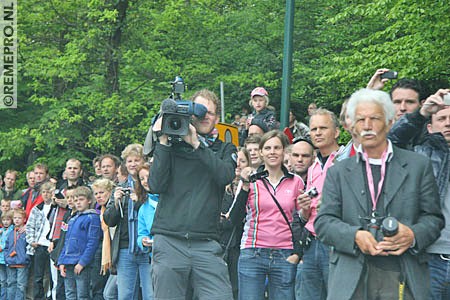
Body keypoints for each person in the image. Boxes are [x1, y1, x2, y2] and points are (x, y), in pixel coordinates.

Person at [315, 88, 444, 299]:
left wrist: (412, 235)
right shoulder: (338, 171)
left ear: (390, 121)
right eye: (360, 120)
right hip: (351, 276)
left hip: (402, 273)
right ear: (352, 127)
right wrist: (354, 235)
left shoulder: (417, 165)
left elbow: (433, 219)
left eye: (374, 118)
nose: (367, 126)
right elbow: (324, 223)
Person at [149, 89, 237, 299]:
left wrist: (197, 145)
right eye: (200, 111)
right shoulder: (171, 147)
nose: (205, 116)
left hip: (206, 243)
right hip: (170, 239)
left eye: (211, 113)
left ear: (217, 118)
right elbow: (155, 185)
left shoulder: (224, 148)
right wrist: (162, 142)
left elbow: (224, 175)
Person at [388, 88, 450, 298]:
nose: (448, 123)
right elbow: (391, 141)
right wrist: (421, 113)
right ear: (430, 127)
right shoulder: (417, 154)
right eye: (442, 118)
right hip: (428, 256)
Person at [229, 130, 303, 300]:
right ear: (261, 152)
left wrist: (298, 253)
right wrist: (245, 185)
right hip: (253, 251)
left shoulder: (296, 181)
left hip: (285, 252)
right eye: (268, 148)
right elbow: (234, 217)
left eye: (277, 147)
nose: (272, 152)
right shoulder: (250, 179)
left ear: (284, 151)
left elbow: (301, 221)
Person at [298, 108, 343, 300]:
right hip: (312, 241)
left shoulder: (346, 158)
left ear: (337, 132)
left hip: (336, 242)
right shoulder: (313, 166)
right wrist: (304, 208)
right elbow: (304, 216)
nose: (317, 132)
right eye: (313, 128)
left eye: (323, 128)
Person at [103, 143, 151, 300]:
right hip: (125, 248)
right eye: (129, 161)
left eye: (136, 160)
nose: (132, 164)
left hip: (147, 247)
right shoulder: (120, 187)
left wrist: (140, 200)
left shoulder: (151, 185)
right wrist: (116, 203)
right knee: (125, 296)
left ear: (143, 161)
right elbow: (109, 220)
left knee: (151, 295)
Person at [57, 186, 101, 300]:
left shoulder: (93, 217)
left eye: (81, 199)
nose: (78, 203)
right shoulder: (72, 219)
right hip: (68, 262)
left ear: (89, 200)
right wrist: (61, 262)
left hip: (81, 264)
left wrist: (82, 262)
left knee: (83, 295)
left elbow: (93, 242)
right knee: (70, 294)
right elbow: (66, 242)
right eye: (75, 200)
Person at [219, 147, 250, 300]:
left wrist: (227, 219)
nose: (237, 165)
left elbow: (234, 219)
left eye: (242, 161)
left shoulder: (249, 187)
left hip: (238, 245)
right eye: (235, 161)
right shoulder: (221, 187)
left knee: (237, 289)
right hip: (221, 244)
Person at [25, 181, 56, 300]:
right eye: (44, 192)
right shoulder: (37, 209)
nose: (46, 194)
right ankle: (38, 297)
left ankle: (50, 297)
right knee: (38, 275)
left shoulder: (57, 207)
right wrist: (31, 241)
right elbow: (30, 226)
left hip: (53, 245)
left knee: (52, 275)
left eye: (49, 192)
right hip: (40, 244)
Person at [91, 178, 117, 300]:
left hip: (116, 252)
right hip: (103, 253)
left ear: (110, 192)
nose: (98, 196)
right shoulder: (101, 210)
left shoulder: (116, 207)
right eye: (96, 194)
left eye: (101, 192)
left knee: (109, 293)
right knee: (99, 289)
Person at [4, 209, 30, 300]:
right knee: (10, 283)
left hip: (22, 263)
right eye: (15, 218)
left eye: (19, 218)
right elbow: (6, 247)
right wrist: (7, 257)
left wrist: (26, 257)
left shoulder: (26, 232)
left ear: (24, 219)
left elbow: (29, 247)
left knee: (21, 285)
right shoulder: (11, 233)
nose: (17, 220)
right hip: (11, 262)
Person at [0, 211, 14, 300]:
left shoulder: (12, 230)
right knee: (2, 281)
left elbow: (9, 243)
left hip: (8, 259)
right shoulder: (2, 231)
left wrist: (2, 247)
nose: (5, 222)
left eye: (8, 220)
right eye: (4, 220)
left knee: (10, 281)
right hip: (1, 259)